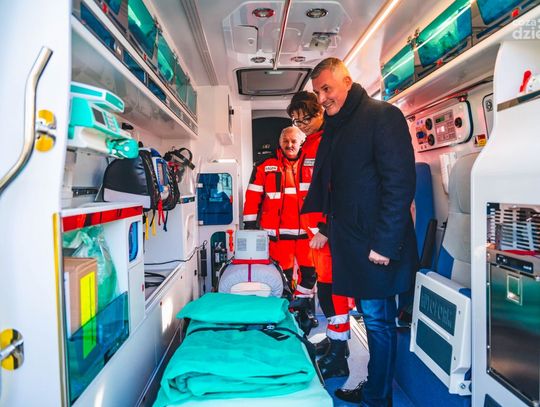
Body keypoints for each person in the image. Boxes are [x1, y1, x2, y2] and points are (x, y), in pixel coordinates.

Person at [303, 57, 418, 406]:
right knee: (370, 319)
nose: (322, 98)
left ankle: (378, 397)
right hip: (353, 243)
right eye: (317, 92)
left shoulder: (382, 116)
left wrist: (385, 243)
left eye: (327, 88)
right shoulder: (338, 127)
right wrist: (326, 227)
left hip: (377, 244)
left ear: (347, 81)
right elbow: (340, 186)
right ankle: (373, 387)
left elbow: (399, 184)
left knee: (379, 322)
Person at [287, 91, 350, 379]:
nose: (302, 125)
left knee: (333, 292)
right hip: (317, 234)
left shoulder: (329, 142)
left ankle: (338, 357)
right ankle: (336, 342)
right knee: (325, 289)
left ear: (320, 112)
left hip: (328, 233)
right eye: (296, 120)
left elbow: (339, 189)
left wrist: (325, 229)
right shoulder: (311, 143)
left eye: (306, 118)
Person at [243, 126, 318, 327]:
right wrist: (249, 226)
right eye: (285, 141)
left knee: (310, 275)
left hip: (308, 235)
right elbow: (253, 196)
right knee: (281, 278)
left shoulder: (314, 162)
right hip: (278, 237)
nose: (289, 145)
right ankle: (285, 313)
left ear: (301, 142)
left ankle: (302, 308)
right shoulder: (265, 165)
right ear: (280, 143)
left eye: (293, 141)